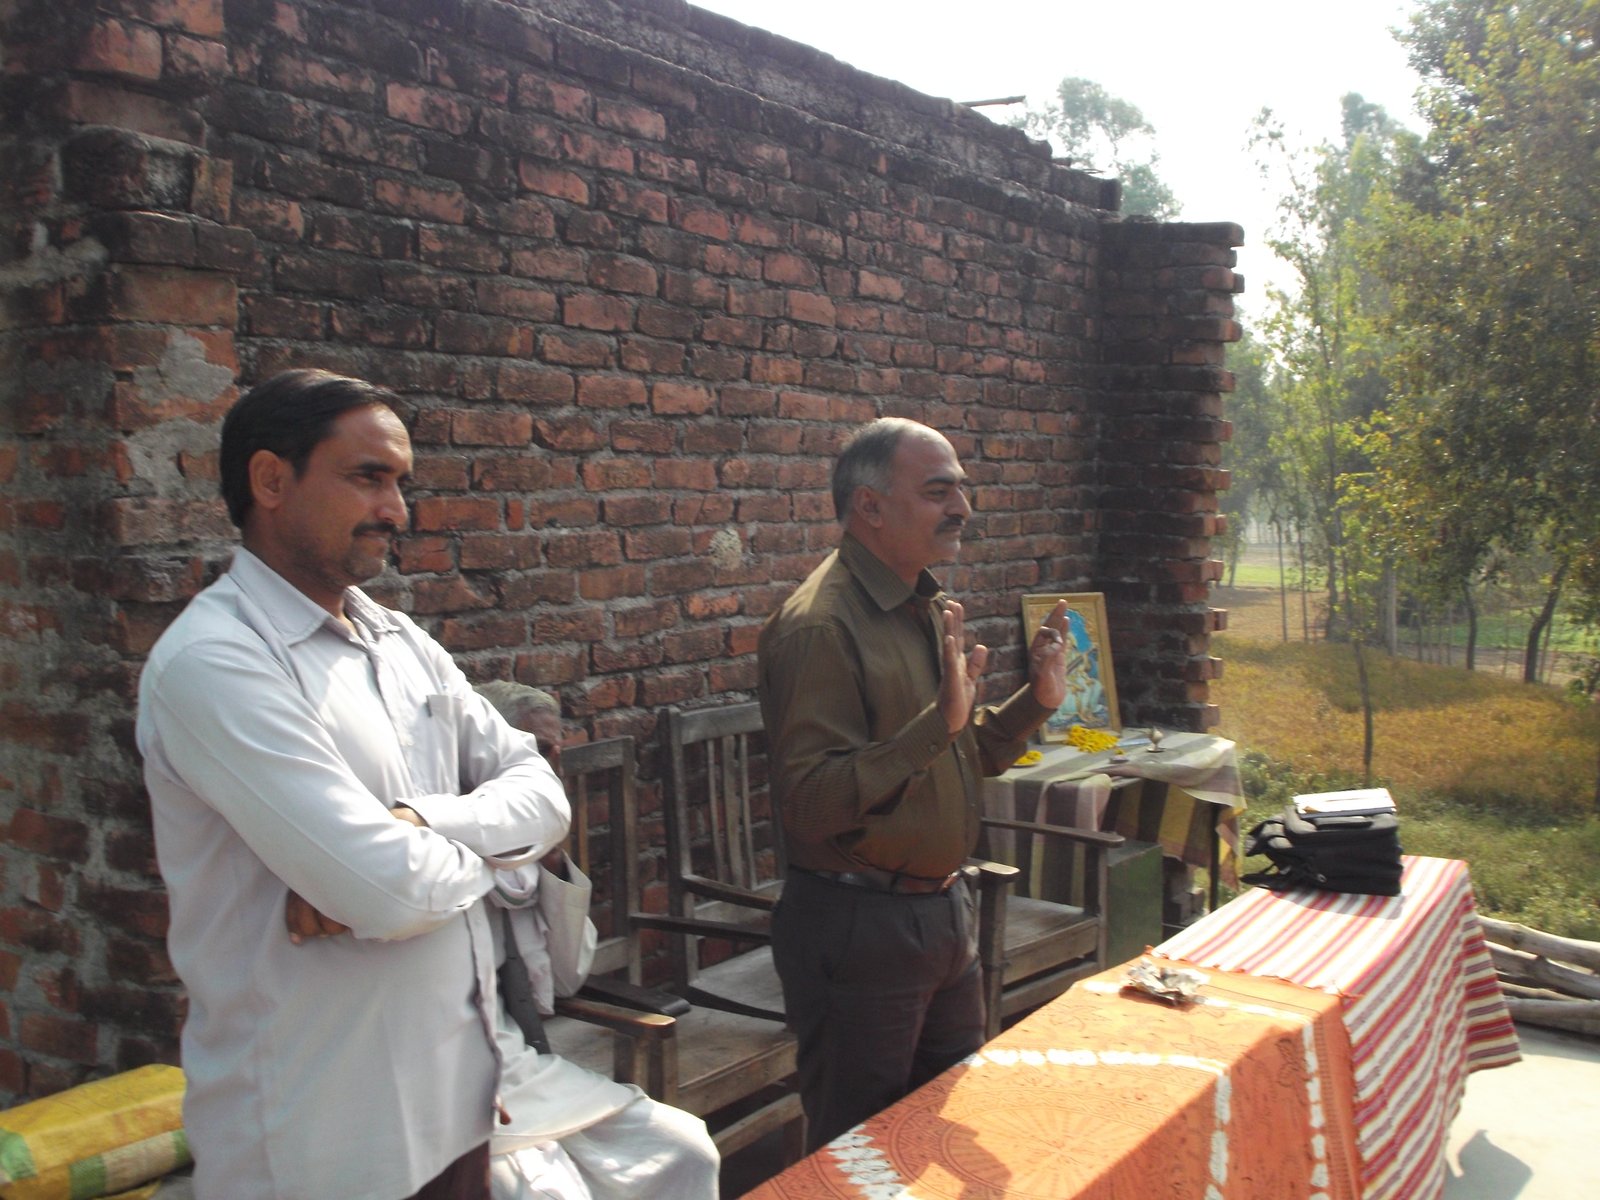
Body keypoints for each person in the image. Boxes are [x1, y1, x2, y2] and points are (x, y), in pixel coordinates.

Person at [137, 371, 715, 1200]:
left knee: (674, 1157)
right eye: (368, 477)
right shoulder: (216, 663)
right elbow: (389, 894)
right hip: (328, 1132)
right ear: (270, 479)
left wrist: (418, 823)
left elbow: (542, 795)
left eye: (400, 482)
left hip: (465, 1090)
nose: (397, 510)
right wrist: (494, 858)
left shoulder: (399, 640)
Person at [757, 416, 1071, 1151]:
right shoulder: (820, 626)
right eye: (937, 492)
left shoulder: (921, 605)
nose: (962, 508)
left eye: (961, 489)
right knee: (858, 1160)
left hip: (941, 915)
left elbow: (952, 756)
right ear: (869, 506)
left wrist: (1036, 701)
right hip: (859, 927)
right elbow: (810, 804)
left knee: (942, 1141)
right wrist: (935, 728)